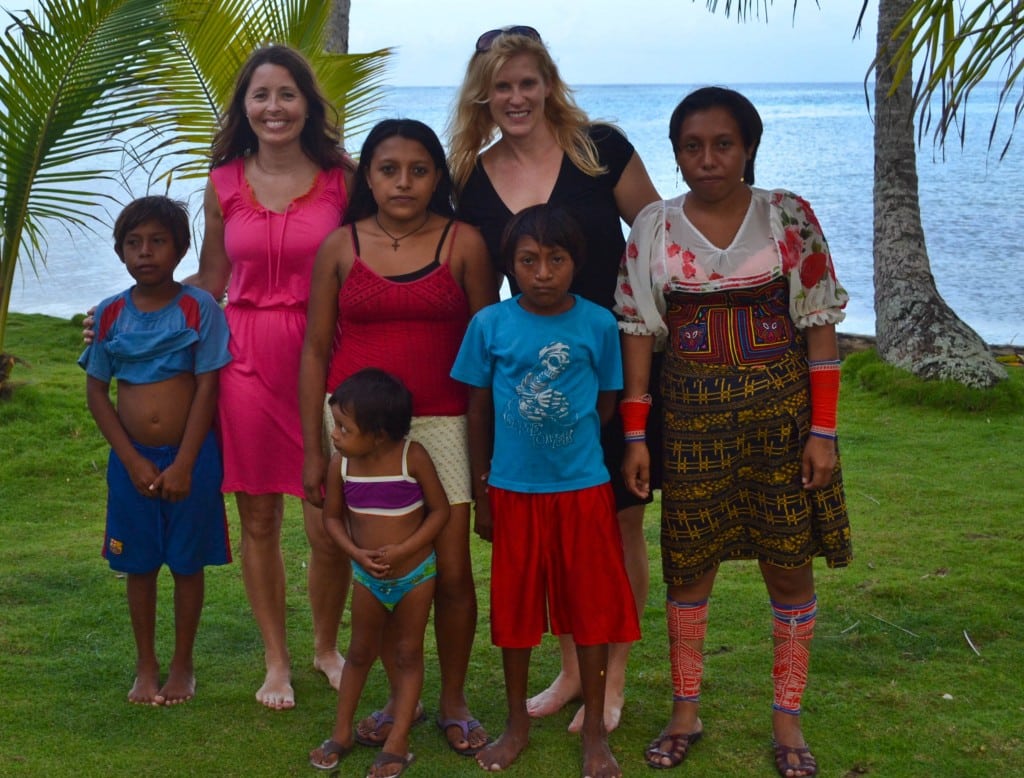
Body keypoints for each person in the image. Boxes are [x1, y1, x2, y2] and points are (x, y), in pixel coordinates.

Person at [615, 86, 853, 777]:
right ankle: (685, 712)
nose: (708, 159)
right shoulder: (654, 229)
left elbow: (819, 328)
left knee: (789, 567)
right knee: (689, 568)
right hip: (689, 424)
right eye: (692, 147)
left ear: (748, 146)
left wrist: (825, 433)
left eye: (723, 144)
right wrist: (636, 437)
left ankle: (788, 723)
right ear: (676, 154)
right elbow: (637, 333)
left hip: (781, 424)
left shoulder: (786, 217)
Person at [448, 25, 660, 733]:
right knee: (559, 532)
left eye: (527, 83)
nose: (515, 98)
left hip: (619, 360)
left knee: (619, 525)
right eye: (500, 86)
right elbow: (471, 286)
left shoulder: (602, 150)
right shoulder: (468, 178)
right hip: (536, 385)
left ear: (548, 84)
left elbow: (658, 246)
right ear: (482, 93)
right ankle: (573, 670)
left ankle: (614, 678)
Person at [299, 118, 497, 755]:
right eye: (388, 169)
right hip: (358, 434)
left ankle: (453, 699)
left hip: (443, 426)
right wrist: (314, 445)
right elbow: (313, 351)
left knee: (454, 572)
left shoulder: (464, 242)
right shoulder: (340, 246)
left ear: (438, 176)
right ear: (369, 176)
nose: (404, 181)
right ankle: (391, 694)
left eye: (418, 169)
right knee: (382, 569)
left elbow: (486, 347)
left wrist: (484, 449)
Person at [187, 44, 352, 709]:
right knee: (258, 515)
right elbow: (210, 281)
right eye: (261, 95)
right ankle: (276, 662)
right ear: (244, 107)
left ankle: (325, 648)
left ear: (308, 104)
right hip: (247, 358)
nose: (274, 107)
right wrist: (123, 316)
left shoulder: (345, 178)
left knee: (327, 517)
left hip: (329, 356)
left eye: (287, 94)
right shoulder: (222, 180)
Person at [451, 204, 640, 778]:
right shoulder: (490, 325)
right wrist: (483, 491)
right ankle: (516, 724)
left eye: (555, 260)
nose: (542, 273)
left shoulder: (598, 324)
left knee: (591, 608)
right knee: (515, 611)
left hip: (583, 489)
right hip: (511, 491)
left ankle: (594, 742)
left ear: (575, 263)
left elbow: (606, 404)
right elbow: (477, 408)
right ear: (509, 265)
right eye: (528, 260)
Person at [78, 196, 232, 706]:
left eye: (158, 242)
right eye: (134, 243)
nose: (145, 253)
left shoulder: (198, 308)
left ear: (181, 249)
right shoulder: (109, 314)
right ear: (121, 252)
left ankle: (182, 665)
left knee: (188, 564)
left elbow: (208, 386)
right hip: (132, 461)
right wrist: (131, 458)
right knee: (138, 565)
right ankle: (146, 666)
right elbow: (97, 391)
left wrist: (186, 461)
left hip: (191, 457)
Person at [309, 369, 449, 778]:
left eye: (343, 428)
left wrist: (404, 549)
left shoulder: (412, 457)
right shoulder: (341, 465)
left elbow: (439, 511)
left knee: (407, 653)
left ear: (379, 434)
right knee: (358, 653)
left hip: (416, 576)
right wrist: (355, 552)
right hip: (367, 578)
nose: (334, 434)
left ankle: (398, 742)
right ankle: (341, 732)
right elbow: (333, 518)